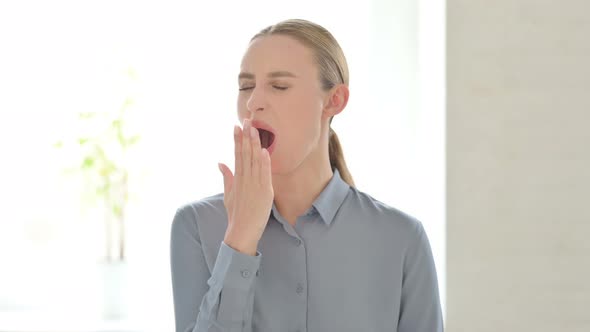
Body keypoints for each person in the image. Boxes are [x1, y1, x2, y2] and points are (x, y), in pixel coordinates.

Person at [170, 18, 443, 332]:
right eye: (246, 86)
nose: (253, 102)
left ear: (334, 101)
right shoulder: (196, 225)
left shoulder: (401, 238)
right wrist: (239, 240)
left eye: (279, 86)